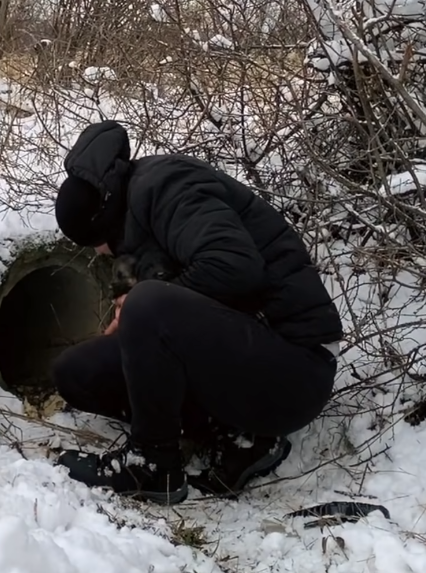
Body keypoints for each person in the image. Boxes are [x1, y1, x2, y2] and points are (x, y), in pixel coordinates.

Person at [51, 120, 343, 504]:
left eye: (95, 243)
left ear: (104, 221)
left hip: (295, 368)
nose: (98, 253)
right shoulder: (132, 211)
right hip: (242, 358)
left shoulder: (168, 187)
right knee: (75, 372)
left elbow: (235, 267)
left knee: (149, 303)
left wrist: (148, 303)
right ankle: (241, 438)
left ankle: (153, 465)